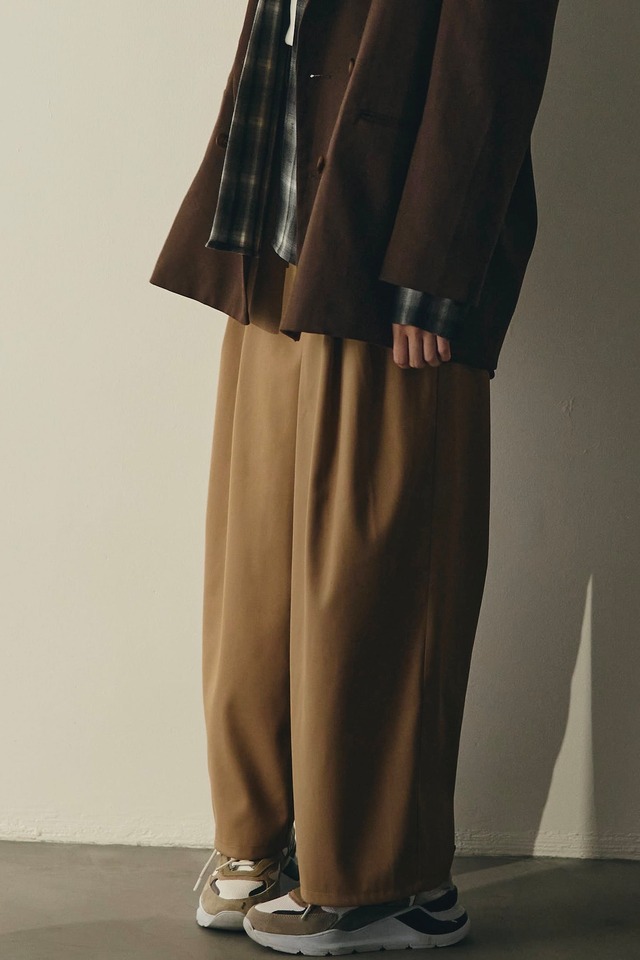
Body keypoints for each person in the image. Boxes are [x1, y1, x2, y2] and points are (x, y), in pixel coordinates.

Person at [150, 0, 560, 953]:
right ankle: (263, 837)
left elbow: (493, 53)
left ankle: (390, 879)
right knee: (255, 566)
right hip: (283, 224)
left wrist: (437, 268)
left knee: (375, 566)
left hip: (388, 250)